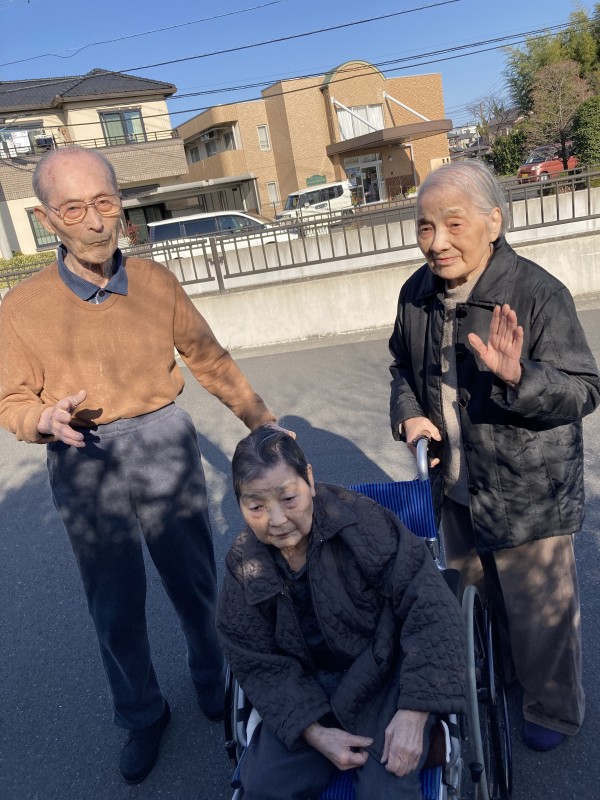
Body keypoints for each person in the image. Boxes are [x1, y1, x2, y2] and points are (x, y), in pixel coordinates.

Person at [0, 146, 290, 785]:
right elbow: (11, 400)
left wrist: (260, 420)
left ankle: (214, 678)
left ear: (120, 204)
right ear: (47, 220)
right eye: (74, 209)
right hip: (81, 454)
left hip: (162, 438)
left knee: (195, 581)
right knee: (115, 601)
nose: (95, 221)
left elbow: (209, 358)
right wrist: (40, 420)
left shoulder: (156, 283)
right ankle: (141, 713)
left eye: (104, 203)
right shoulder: (20, 309)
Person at [388, 160, 600, 753]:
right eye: (425, 226)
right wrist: (408, 413)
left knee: (540, 615)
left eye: (453, 223)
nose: (437, 241)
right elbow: (401, 366)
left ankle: (553, 709)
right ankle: (503, 679)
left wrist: (520, 377)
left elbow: (584, 389)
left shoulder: (537, 293)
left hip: (528, 489)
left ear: (494, 222)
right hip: (456, 486)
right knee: (478, 598)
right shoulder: (416, 294)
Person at [216, 427, 466, 800]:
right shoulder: (243, 565)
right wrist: (314, 732)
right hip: (306, 691)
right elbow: (256, 662)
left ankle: (430, 732)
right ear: (240, 505)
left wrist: (416, 711)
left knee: (387, 791)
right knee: (263, 788)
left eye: (288, 498)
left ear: (309, 479)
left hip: (384, 677)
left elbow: (431, 606)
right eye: (256, 507)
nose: (277, 519)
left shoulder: (361, 522)